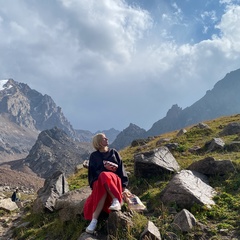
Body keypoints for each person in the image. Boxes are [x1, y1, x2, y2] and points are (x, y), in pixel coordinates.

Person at [83, 133, 129, 234]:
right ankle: (95, 220)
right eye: (104, 138)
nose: (107, 139)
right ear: (99, 142)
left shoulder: (114, 152)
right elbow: (92, 174)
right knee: (102, 178)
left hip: (114, 181)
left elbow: (121, 169)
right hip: (99, 183)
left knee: (104, 175)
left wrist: (123, 187)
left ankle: (94, 221)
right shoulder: (94, 156)